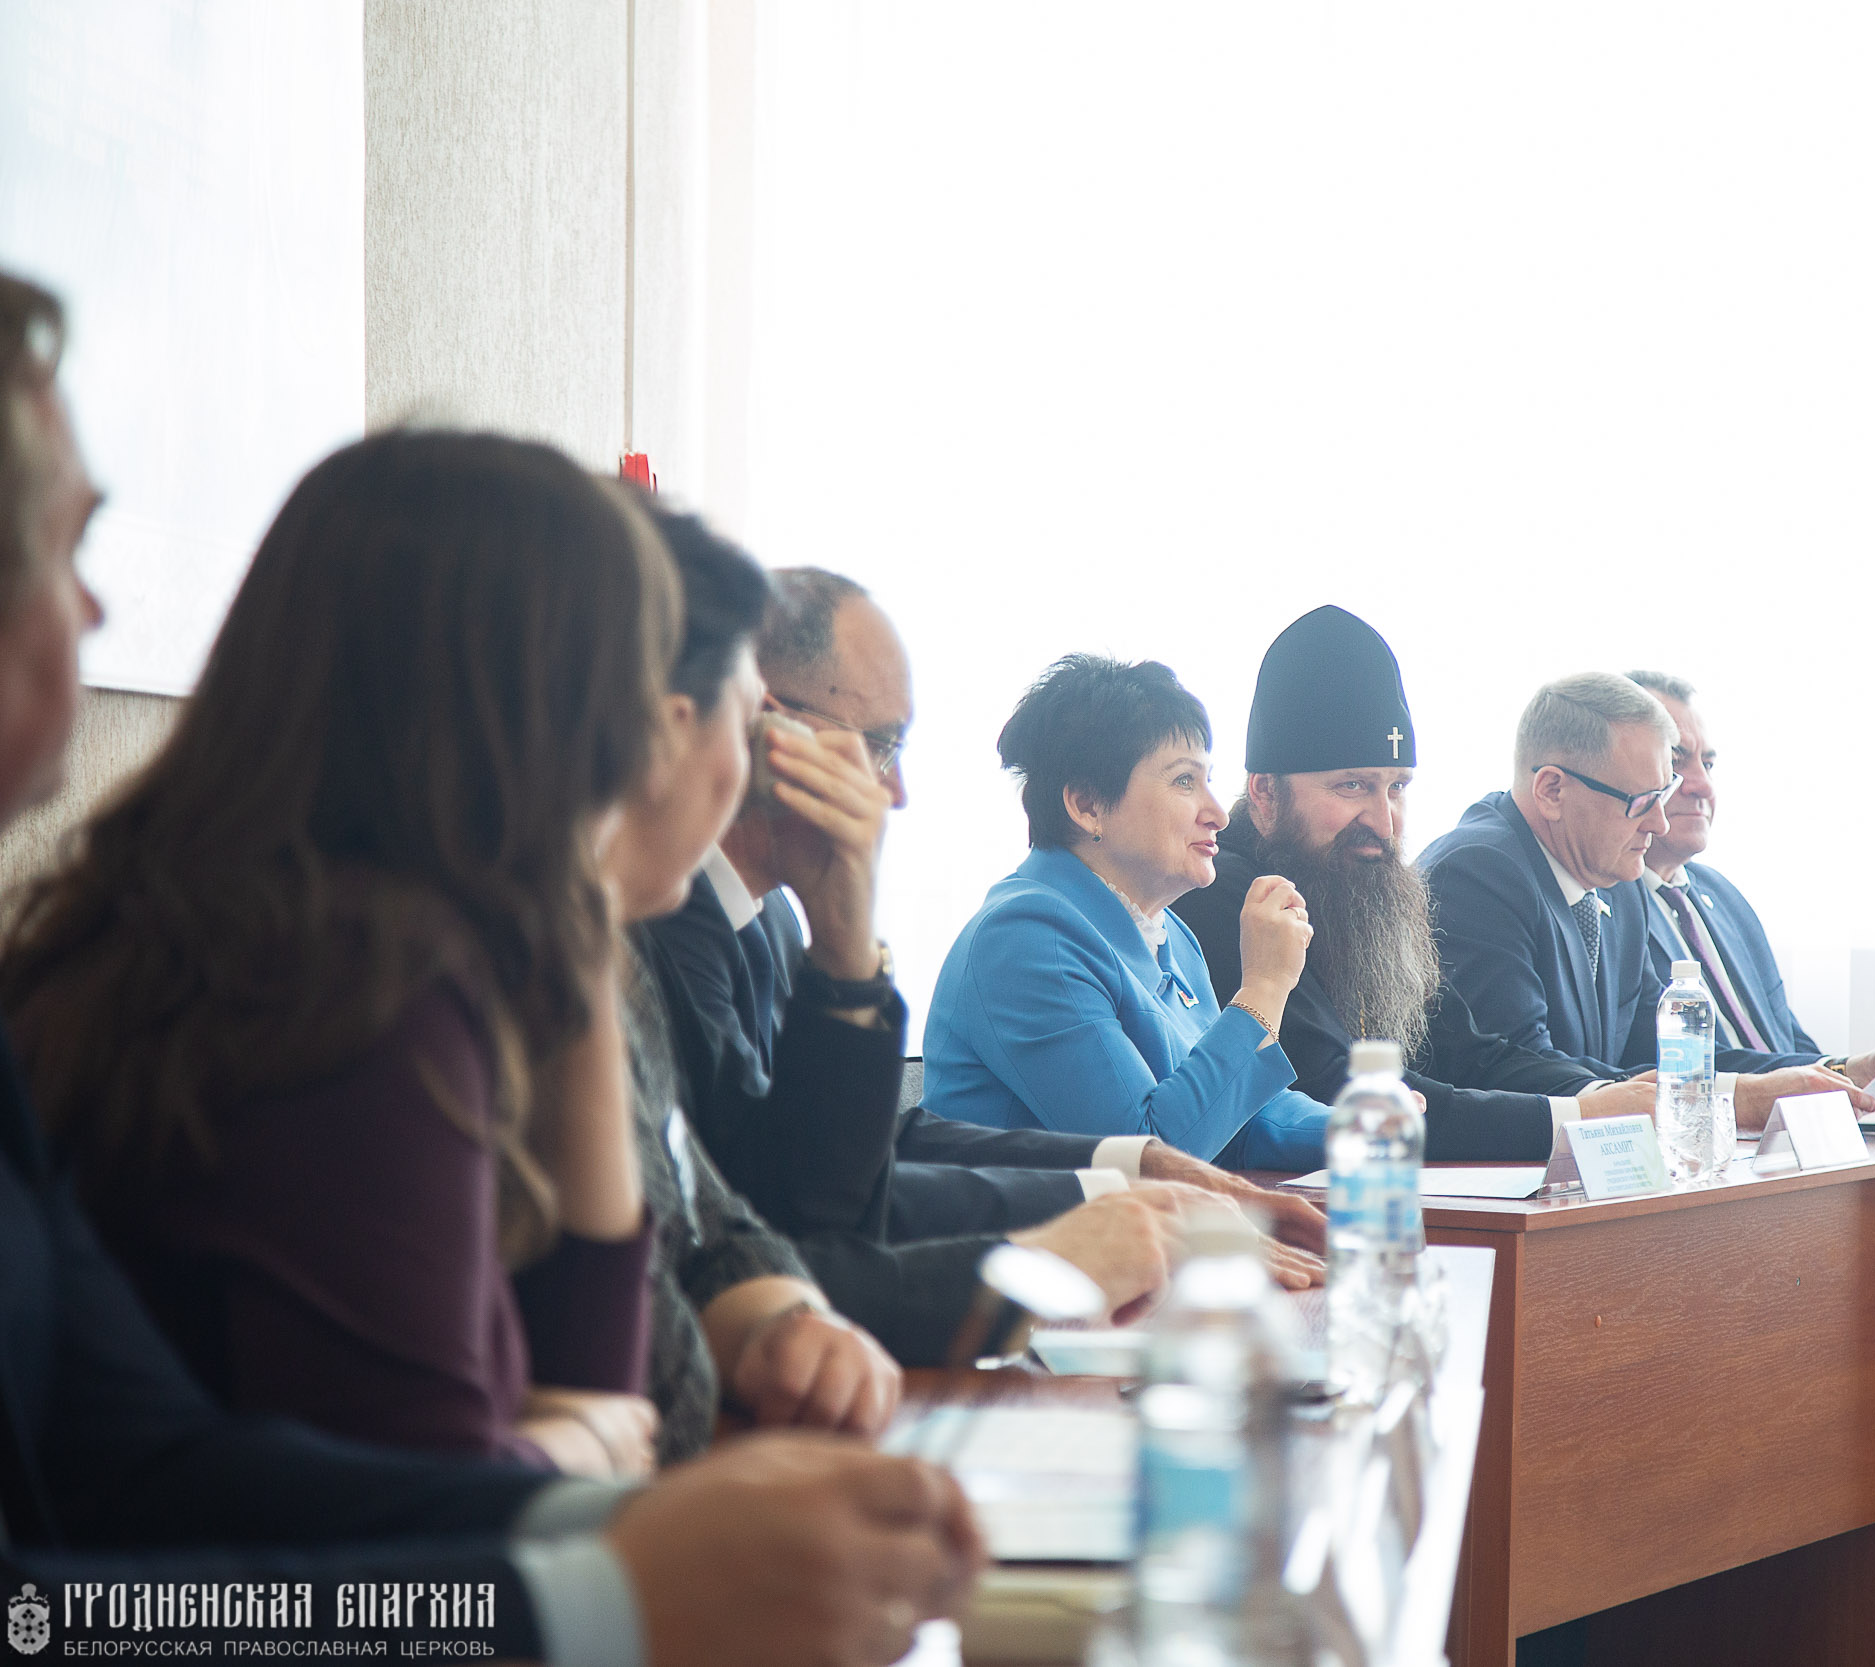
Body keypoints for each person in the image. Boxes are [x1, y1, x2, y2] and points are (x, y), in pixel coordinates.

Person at [0, 267, 975, 1667]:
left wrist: (575, 1505)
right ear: (529, 707)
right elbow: (101, 1592)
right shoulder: (345, 990)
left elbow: (150, 1467)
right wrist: (588, 1554)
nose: (95, 610)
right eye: (636, 690)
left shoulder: (415, 953)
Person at [636, 570, 1323, 1362]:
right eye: (879, 746)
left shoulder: (772, 918)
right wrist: (1260, 994)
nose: (895, 793)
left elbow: (860, 1156)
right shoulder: (1026, 933)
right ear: (758, 721)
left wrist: (1144, 1170)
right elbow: (786, 1211)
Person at [603, 507, 903, 1462]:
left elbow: (712, 1223)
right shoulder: (613, 943)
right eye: (742, 715)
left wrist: (778, 1319)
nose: (892, 792)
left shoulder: (593, 958)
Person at [1172, 606, 1662, 1155]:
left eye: (1397, 788)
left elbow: (1470, 1054)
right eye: (1353, 786)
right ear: (1265, 793)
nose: (1384, 824)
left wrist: (1607, 1095)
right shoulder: (1228, 896)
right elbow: (1336, 1089)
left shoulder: (1367, 890)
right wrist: (1576, 1118)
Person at [924, 654, 1333, 1169]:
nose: (1218, 814)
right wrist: (1264, 989)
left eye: (1208, 779)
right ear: (1088, 806)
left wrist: (1364, 1127)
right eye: (1184, 781)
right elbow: (1146, 1154)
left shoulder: (1170, 935)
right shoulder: (1023, 939)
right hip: (1040, 1224)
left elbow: (1234, 1119)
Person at [1419, 673, 1873, 1129]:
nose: (1659, 824)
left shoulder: (1620, 882)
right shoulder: (1476, 873)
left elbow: (1667, 1054)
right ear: (1552, 790)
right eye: (1641, 801)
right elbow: (1517, 1069)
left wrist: (1840, 1074)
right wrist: (1734, 1100)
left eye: (1664, 794)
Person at [1624, 671, 1875, 1098]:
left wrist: (1861, 1084)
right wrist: (1843, 1074)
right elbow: (1671, 1064)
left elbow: (1788, 1042)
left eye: (1709, 764)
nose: (1702, 784)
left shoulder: (1722, 896)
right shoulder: (1609, 909)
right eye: (1675, 762)